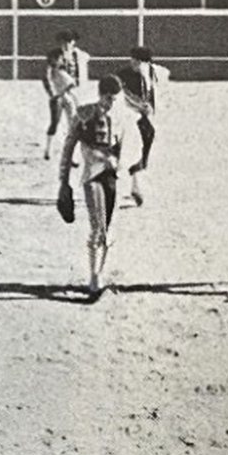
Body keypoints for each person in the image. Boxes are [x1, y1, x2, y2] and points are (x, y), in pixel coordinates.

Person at [59, 75, 128, 295]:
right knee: (97, 229)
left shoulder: (119, 118)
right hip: (91, 175)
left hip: (111, 178)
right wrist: (64, 181)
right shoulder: (83, 114)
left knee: (107, 231)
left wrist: (118, 163)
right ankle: (94, 277)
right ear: (101, 95)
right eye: (110, 98)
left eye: (116, 99)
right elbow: (70, 147)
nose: (112, 103)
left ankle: (99, 272)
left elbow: (120, 149)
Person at [116, 46, 169, 206]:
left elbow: (157, 91)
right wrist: (140, 104)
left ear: (144, 62)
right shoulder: (124, 74)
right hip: (129, 116)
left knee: (143, 142)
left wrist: (150, 107)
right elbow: (121, 93)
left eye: (137, 61)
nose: (133, 63)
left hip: (143, 118)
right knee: (133, 149)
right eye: (133, 60)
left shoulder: (154, 73)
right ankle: (136, 189)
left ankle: (137, 188)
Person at [42, 30, 90, 161]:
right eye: (63, 42)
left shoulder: (79, 56)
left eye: (69, 41)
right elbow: (46, 76)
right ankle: (48, 149)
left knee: (73, 125)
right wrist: (52, 93)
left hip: (73, 93)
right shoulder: (54, 55)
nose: (66, 44)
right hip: (58, 94)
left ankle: (72, 155)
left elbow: (83, 67)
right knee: (55, 122)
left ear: (73, 42)